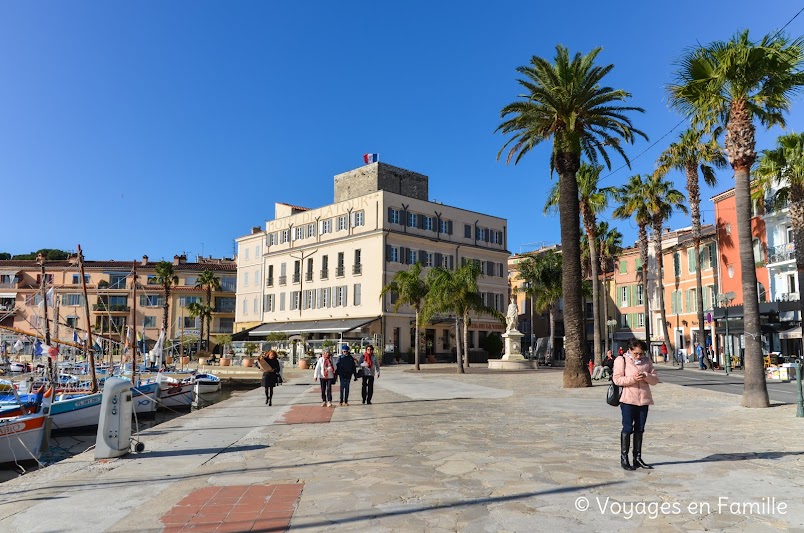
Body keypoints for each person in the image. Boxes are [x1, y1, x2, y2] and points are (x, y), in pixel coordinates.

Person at [613, 338, 659, 471]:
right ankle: (624, 458)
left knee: (640, 428)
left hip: (644, 399)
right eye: (636, 353)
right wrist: (633, 379)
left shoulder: (647, 361)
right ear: (630, 350)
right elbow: (617, 379)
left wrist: (646, 376)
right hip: (628, 399)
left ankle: (637, 458)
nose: (639, 356)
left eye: (641, 353)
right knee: (627, 428)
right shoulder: (621, 360)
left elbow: (655, 379)